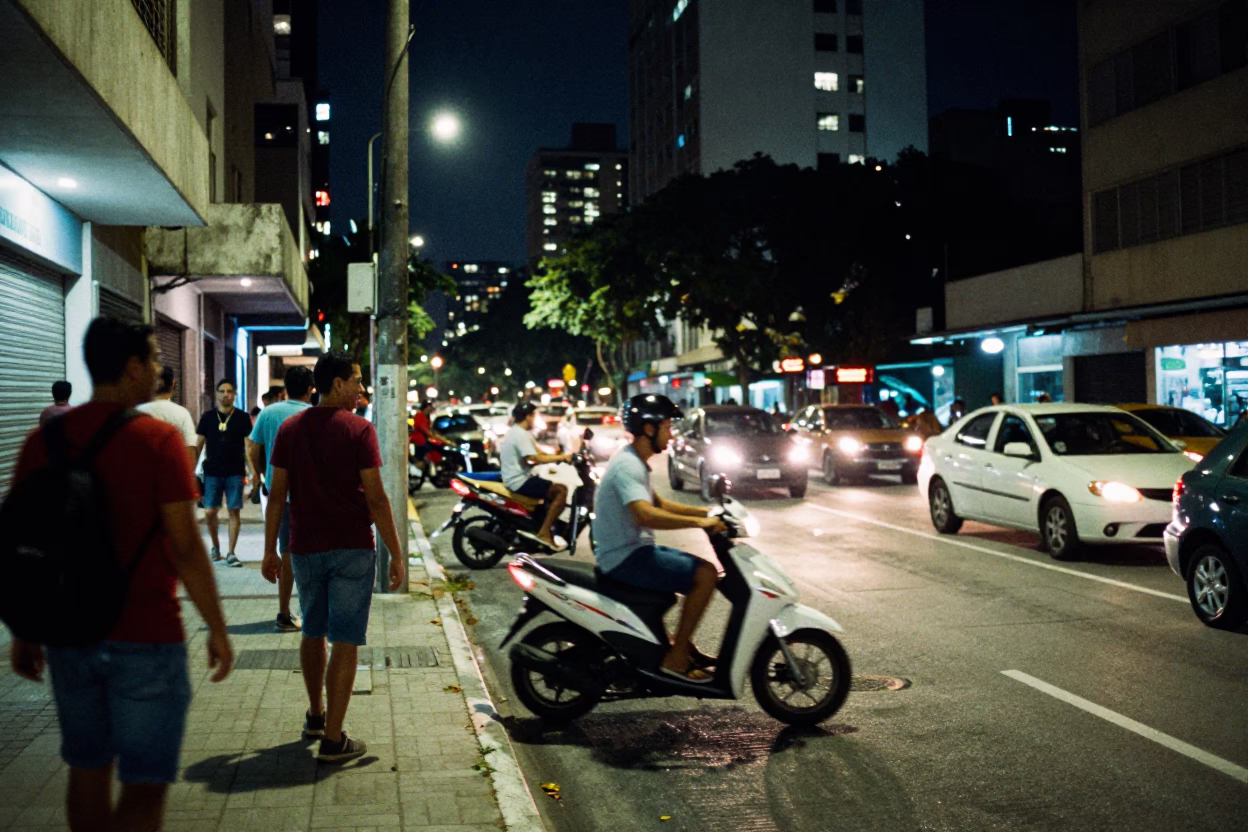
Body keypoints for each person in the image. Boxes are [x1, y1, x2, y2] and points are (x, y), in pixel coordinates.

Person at [9, 317, 233, 832]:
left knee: (86, 771)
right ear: (132, 367)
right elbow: (185, 546)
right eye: (153, 359)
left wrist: (25, 630)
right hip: (147, 636)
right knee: (144, 786)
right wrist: (217, 628)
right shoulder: (156, 441)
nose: (158, 368)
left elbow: (26, 545)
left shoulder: (44, 441)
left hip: (70, 632)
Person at [260, 351, 405, 763]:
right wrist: (396, 554)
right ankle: (333, 739)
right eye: (356, 380)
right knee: (345, 640)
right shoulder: (359, 430)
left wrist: (272, 550)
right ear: (337, 384)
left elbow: (276, 498)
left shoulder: (290, 428)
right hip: (353, 549)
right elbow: (376, 499)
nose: (361, 388)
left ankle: (316, 716)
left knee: (312, 631)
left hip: (305, 548)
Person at [594, 394, 726, 683]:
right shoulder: (629, 466)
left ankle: (682, 647)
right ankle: (676, 658)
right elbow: (646, 515)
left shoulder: (633, 460)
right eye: (666, 426)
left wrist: (705, 512)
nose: (671, 433)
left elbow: (660, 503)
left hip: (631, 551)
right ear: (649, 429)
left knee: (695, 570)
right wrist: (699, 522)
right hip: (625, 557)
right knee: (705, 574)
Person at [247, 366, 315, 633]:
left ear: (285, 388)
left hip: (279, 492)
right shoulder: (313, 415)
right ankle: (313, 610)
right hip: (311, 495)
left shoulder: (269, 412)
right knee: (312, 552)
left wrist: (262, 474)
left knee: (286, 552)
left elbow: (253, 446)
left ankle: (284, 613)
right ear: (311, 389)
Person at [195, 380, 254, 566]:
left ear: (235, 394)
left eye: (229, 391)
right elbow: (198, 446)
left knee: (233, 511)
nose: (225, 394)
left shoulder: (242, 418)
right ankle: (215, 546)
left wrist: (254, 473)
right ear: (216, 394)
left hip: (235, 472)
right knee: (210, 512)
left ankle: (231, 552)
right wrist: (189, 469)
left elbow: (248, 447)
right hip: (211, 472)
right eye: (222, 391)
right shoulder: (207, 417)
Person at [500, 402, 572, 550]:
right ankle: (544, 532)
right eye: (534, 416)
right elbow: (534, 458)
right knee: (561, 490)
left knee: (549, 486)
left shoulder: (518, 432)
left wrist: (558, 454)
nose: (535, 419)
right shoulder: (520, 435)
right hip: (519, 481)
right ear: (528, 417)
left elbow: (537, 453)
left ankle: (541, 526)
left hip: (518, 477)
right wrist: (562, 458)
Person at [138, 366, 198, 469]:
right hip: (173, 476)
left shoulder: (137, 411)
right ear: (173, 384)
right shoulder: (182, 414)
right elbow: (191, 452)